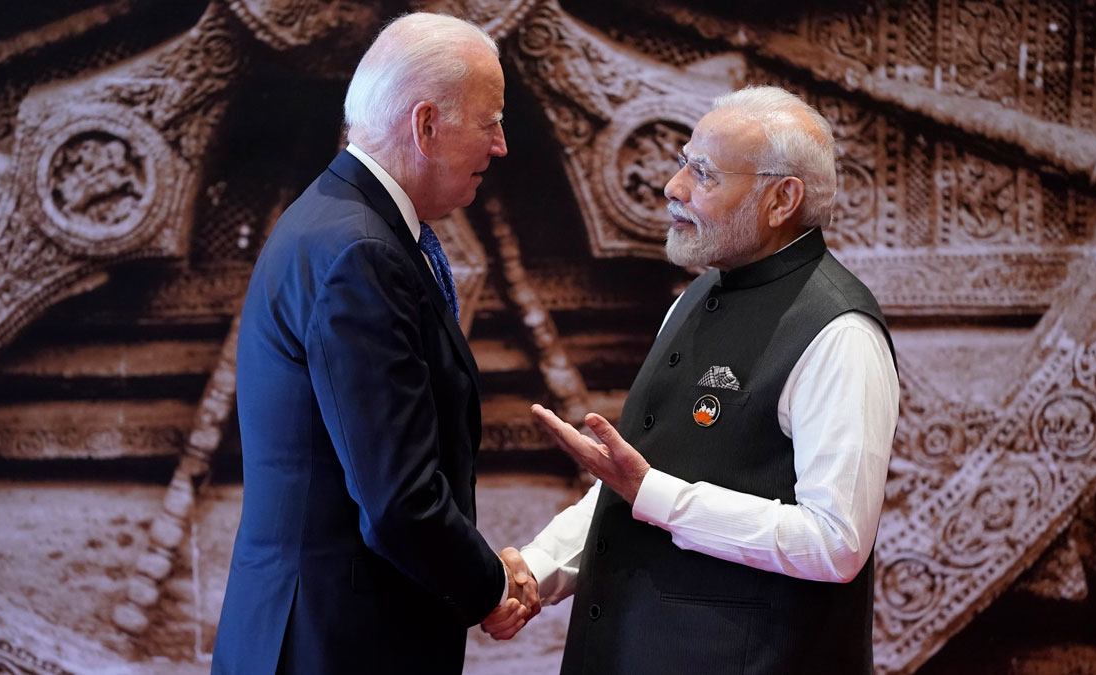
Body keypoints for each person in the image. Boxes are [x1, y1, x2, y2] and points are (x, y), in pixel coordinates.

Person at [491, 86, 900, 674]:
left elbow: (835, 542)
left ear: (782, 200)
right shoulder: (694, 298)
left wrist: (655, 495)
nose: (673, 187)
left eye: (703, 173)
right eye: (683, 162)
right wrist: (538, 568)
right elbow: (636, 484)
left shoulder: (840, 332)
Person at [212, 13, 537, 675]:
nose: (501, 145)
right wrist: (491, 587)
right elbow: (398, 502)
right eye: (490, 122)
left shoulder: (333, 220)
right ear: (426, 125)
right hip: (338, 645)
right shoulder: (361, 252)